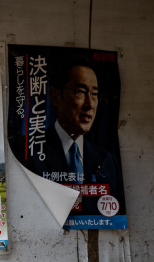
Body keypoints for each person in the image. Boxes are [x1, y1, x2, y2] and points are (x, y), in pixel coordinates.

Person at [39, 62, 124, 214]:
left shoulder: (108, 161)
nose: (90, 104)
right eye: (80, 92)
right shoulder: (28, 152)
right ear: (56, 96)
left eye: (95, 94)